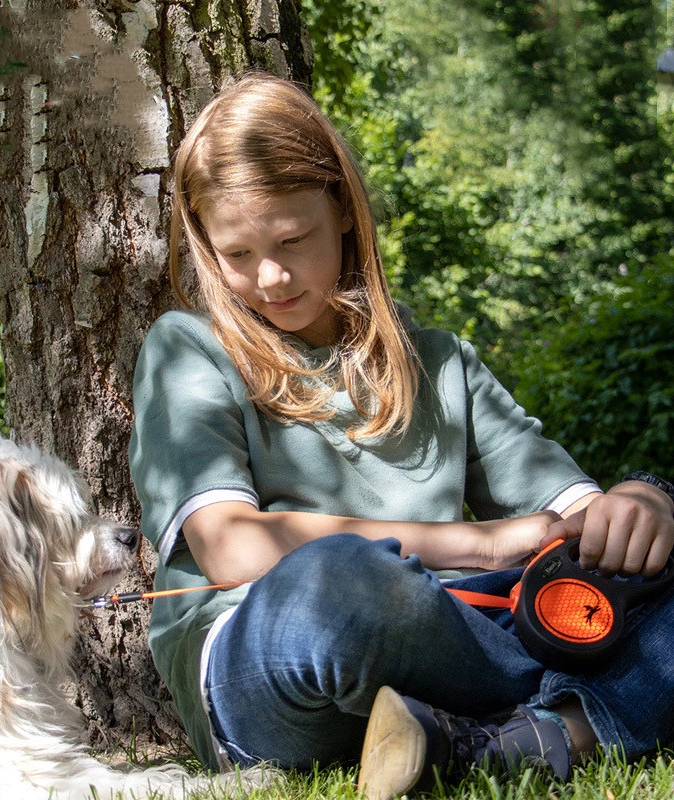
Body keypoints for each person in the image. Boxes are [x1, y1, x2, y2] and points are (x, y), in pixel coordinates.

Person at [128, 72, 674, 798]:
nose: (270, 276)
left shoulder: (439, 360)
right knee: (340, 581)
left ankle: (512, 743)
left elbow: (576, 518)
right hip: (272, 657)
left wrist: (646, 499)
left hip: (455, 637)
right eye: (236, 255)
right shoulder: (187, 349)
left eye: (294, 238)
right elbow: (231, 545)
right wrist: (481, 542)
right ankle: (587, 702)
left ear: (344, 211)